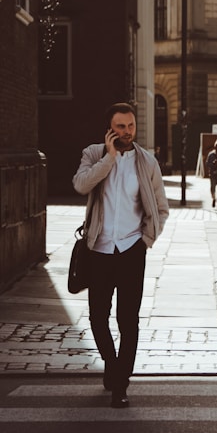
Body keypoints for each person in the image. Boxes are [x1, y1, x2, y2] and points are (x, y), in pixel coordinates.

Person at [72, 102, 169, 408]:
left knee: (128, 321)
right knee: (98, 318)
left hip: (130, 250)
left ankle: (120, 385)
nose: (127, 132)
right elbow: (80, 185)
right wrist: (109, 159)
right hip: (99, 250)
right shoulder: (93, 154)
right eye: (120, 127)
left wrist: (146, 240)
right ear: (109, 129)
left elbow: (160, 207)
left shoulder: (147, 161)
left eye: (130, 126)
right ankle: (113, 366)